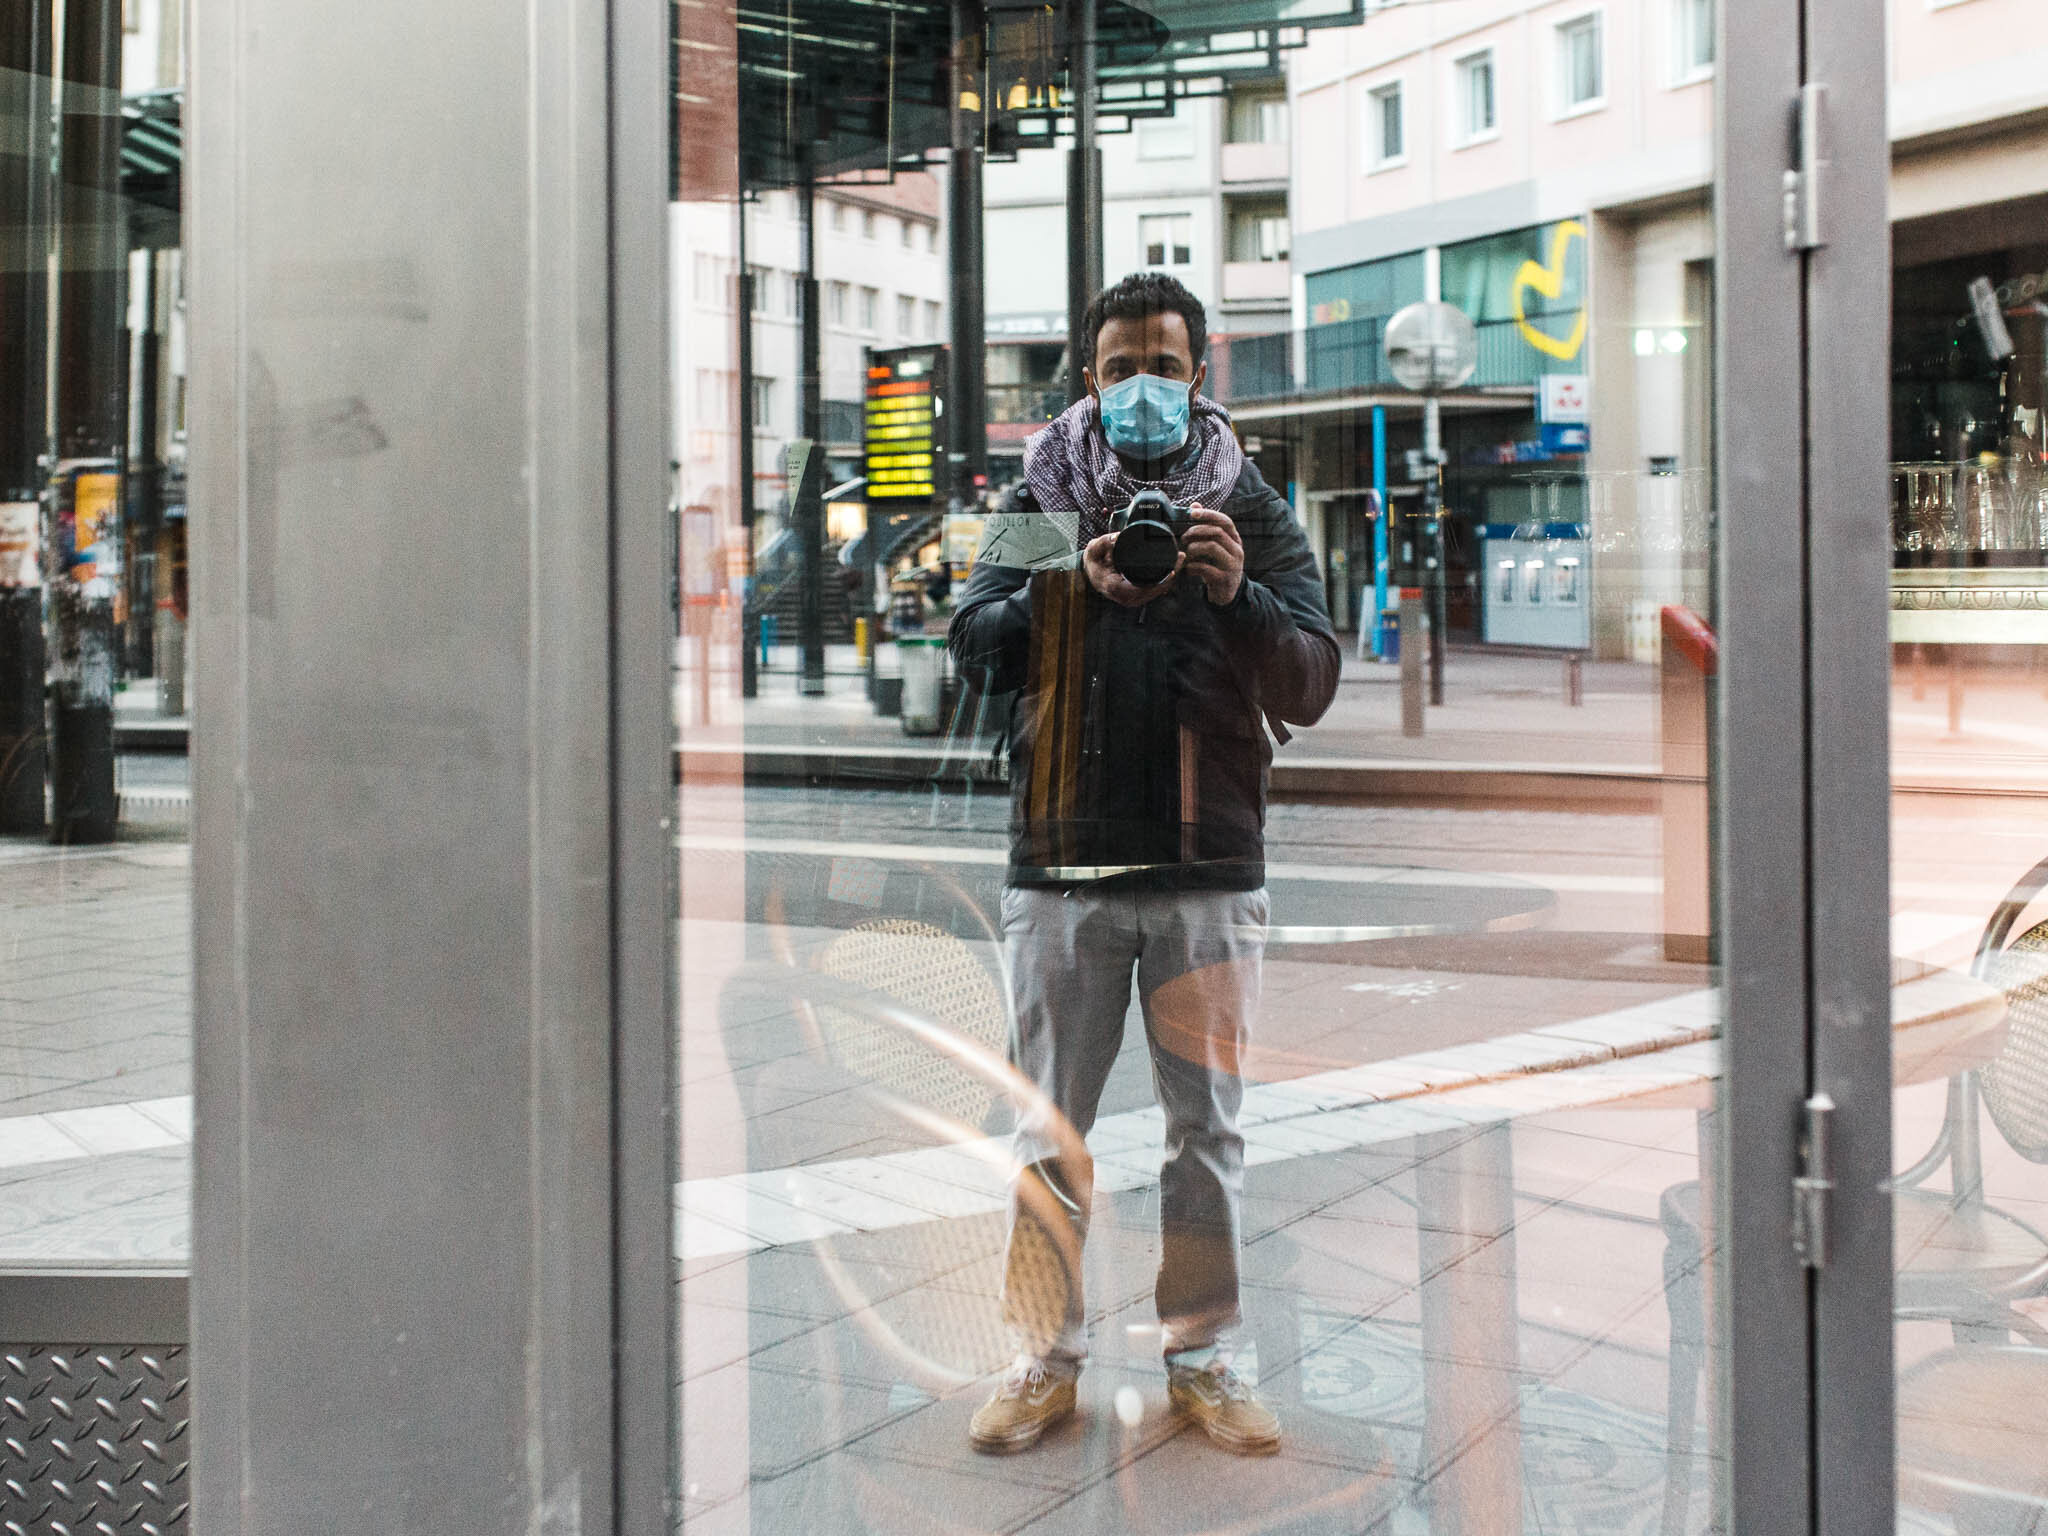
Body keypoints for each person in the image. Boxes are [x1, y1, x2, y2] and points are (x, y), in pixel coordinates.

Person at [948, 272, 1339, 1456]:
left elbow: (1311, 679)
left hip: (1208, 866)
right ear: (1086, 379)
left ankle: (1205, 1354)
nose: (1141, 390)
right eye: (1120, 368)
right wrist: (1070, 582)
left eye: (1162, 367)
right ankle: (1040, 1357)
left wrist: (1238, 594)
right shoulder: (1042, 502)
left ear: (1199, 373)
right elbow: (973, 646)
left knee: (1204, 1133)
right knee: (1047, 1128)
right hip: (1062, 867)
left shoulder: (1250, 510)